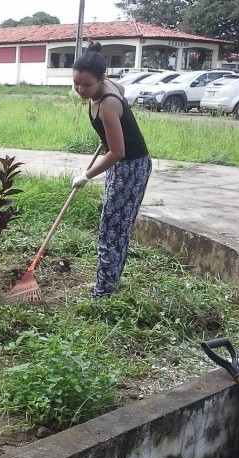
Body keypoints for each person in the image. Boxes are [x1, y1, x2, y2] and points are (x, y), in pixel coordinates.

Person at [71, 42, 152, 298]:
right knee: (112, 222)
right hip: (122, 165)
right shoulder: (110, 87)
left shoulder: (107, 103)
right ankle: (107, 281)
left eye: (87, 85)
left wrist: (86, 175)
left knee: (113, 227)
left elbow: (118, 152)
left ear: (101, 79)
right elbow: (122, 89)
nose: (81, 90)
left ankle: (104, 290)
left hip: (131, 167)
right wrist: (108, 133)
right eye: (76, 83)